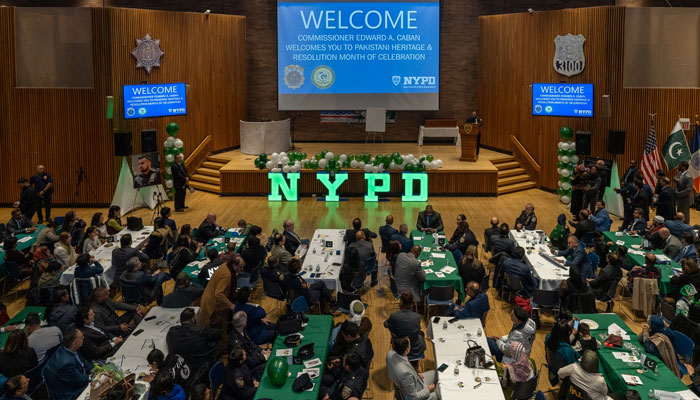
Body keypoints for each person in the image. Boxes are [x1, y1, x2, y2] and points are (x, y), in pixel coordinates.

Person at [166, 308, 221, 373]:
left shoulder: (172, 332)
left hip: (180, 369)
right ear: (192, 319)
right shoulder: (201, 330)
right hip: (200, 367)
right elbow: (218, 334)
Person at [43, 329, 92, 400]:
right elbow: (79, 382)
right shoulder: (65, 364)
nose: (84, 338)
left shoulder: (70, 348)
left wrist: (95, 369)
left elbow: (84, 363)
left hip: (78, 378)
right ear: (74, 343)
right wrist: (93, 376)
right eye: (81, 337)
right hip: (70, 394)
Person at [200, 257, 242, 328]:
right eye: (240, 267)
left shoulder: (226, 265)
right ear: (235, 265)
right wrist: (231, 305)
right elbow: (218, 294)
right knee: (211, 327)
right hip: (212, 303)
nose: (242, 269)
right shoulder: (227, 275)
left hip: (211, 297)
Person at [384, 292, 426, 360]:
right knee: (421, 333)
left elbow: (385, 324)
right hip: (415, 350)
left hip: (398, 349)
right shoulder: (417, 317)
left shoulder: (394, 316)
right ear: (412, 303)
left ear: (401, 302)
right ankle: (416, 363)